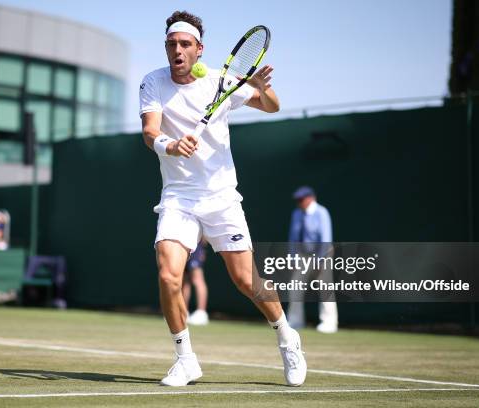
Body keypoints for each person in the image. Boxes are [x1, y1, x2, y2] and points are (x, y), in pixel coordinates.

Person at [139, 10, 306, 387]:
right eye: (171, 44)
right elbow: (150, 132)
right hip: (179, 196)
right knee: (168, 275)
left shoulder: (221, 80)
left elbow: (272, 105)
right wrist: (170, 144)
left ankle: (286, 337)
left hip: (220, 197)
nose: (177, 51)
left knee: (246, 280)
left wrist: (260, 86)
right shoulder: (152, 82)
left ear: (199, 49)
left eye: (184, 44)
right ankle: (185, 360)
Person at [287, 186, 338, 333]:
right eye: (297, 200)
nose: (299, 202)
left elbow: (325, 238)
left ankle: (329, 323)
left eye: (301, 199)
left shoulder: (322, 212)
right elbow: (293, 238)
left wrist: (320, 261)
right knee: (295, 287)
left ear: (311, 198)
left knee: (325, 288)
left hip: (323, 253)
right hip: (303, 256)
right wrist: (292, 258)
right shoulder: (296, 214)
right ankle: (295, 321)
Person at [182, 238, 209, 325]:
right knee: (184, 281)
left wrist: (202, 247)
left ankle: (201, 313)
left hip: (196, 246)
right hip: (182, 244)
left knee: (197, 280)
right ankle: (183, 312)